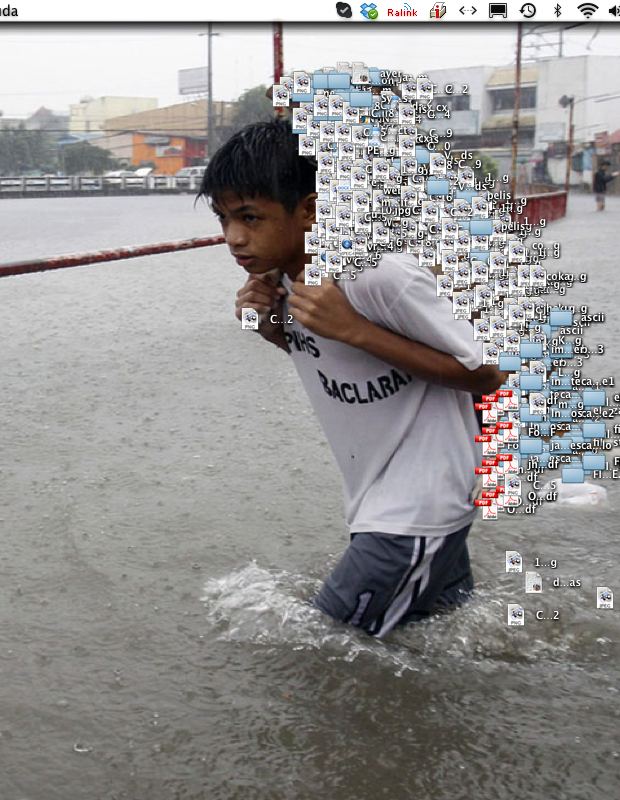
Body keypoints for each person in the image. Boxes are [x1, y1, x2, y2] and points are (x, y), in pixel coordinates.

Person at [203, 121, 504, 638]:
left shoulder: (378, 275)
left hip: (416, 506)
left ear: (310, 210)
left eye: (250, 217)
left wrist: (354, 328)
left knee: (322, 647)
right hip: (382, 500)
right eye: (224, 218)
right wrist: (271, 328)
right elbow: (335, 358)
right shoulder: (280, 279)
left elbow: (488, 373)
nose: (233, 237)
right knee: (444, 642)